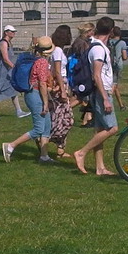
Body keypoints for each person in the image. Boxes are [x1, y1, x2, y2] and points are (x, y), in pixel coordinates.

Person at [72, 16, 119, 176]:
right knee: (112, 128)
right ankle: (81, 153)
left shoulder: (96, 46)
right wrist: (105, 98)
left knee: (100, 129)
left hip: (100, 92)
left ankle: (100, 167)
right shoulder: (98, 49)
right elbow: (97, 75)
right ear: (111, 31)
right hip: (101, 92)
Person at [3, 36, 55, 163]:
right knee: (38, 128)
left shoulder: (35, 59)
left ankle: (44, 156)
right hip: (35, 95)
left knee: (46, 126)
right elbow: (42, 84)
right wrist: (46, 103)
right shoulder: (42, 62)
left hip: (35, 94)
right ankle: (10, 146)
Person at [47, 25, 75, 158]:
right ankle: (46, 139)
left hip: (62, 83)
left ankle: (60, 148)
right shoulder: (57, 51)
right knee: (66, 119)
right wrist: (63, 90)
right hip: (60, 85)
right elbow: (57, 71)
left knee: (61, 117)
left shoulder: (58, 50)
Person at [0, 26, 25, 119]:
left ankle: (19, 111)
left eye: (14, 31)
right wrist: (14, 68)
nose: (14, 33)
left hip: (6, 69)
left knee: (12, 88)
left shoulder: (8, 42)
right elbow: (5, 59)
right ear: (6, 32)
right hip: (0, 70)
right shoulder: (3, 42)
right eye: (12, 31)